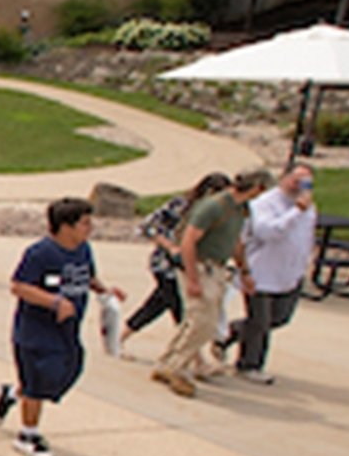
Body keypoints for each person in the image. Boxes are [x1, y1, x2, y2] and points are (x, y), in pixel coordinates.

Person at [0, 197, 120, 456]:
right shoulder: (41, 253)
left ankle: (11, 394)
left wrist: (104, 291)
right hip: (36, 331)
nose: (90, 227)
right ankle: (28, 434)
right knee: (39, 379)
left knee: (67, 372)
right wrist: (54, 302)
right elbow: (19, 286)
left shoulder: (83, 249)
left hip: (68, 330)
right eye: (84, 223)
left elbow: (87, 276)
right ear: (65, 226)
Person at [151, 170, 265, 398]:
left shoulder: (240, 209)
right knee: (203, 321)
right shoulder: (213, 207)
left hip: (218, 269)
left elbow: (236, 243)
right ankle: (176, 368)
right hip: (201, 267)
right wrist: (192, 278)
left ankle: (168, 362)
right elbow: (188, 242)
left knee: (200, 321)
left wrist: (245, 272)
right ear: (256, 187)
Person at [219, 164, 317, 384]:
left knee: (279, 318)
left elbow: (306, 236)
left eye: (307, 183)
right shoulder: (265, 204)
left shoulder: (308, 207)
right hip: (261, 272)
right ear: (284, 178)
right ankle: (249, 365)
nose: (300, 186)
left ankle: (230, 332)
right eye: (297, 180)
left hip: (289, 273)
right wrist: (296, 212)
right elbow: (267, 232)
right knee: (260, 322)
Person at [121, 173, 231, 353]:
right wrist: (169, 246)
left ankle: (120, 337)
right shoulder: (180, 206)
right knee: (184, 312)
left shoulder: (218, 214)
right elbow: (147, 226)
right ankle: (193, 358)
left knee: (158, 304)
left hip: (192, 267)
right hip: (167, 265)